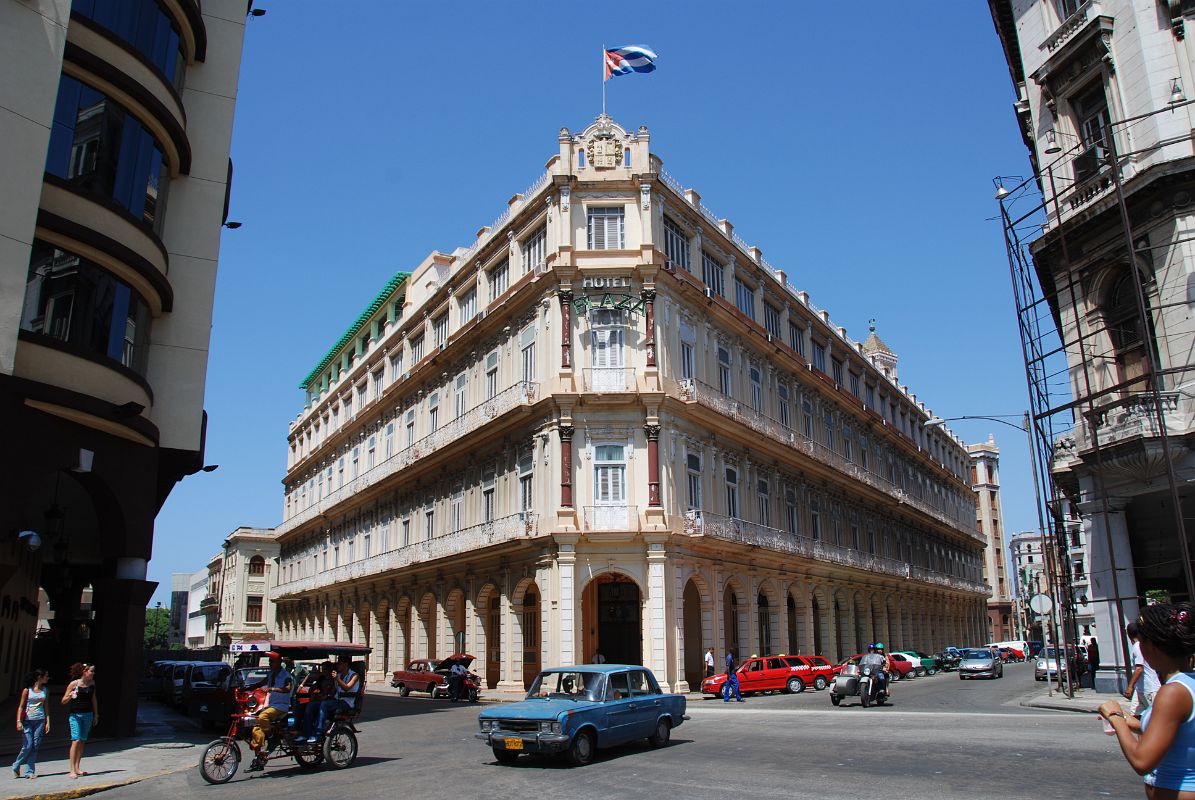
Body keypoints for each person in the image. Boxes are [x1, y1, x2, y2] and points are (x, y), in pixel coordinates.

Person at [1098, 602, 1195, 797]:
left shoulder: (1173, 692)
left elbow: (1142, 761)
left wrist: (1114, 717)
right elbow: (1171, 732)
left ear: (1153, 646)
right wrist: (1126, 719)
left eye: (1142, 642)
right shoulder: (1189, 681)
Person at [299, 655, 359, 743]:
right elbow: (334, 691)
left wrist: (337, 679)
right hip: (335, 701)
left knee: (324, 704)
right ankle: (306, 733)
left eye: (340, 664)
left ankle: (318, 732)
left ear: (346, 664)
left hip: (346, 702)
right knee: (311, 705)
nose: (338, 666)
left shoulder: (354, 675)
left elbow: (347, 688)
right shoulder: (338, 675)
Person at [248, 653, 292, 771]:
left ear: (279, 662)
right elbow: (261, 683)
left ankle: (272, 737)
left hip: (281, 706)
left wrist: (272, 689)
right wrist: (246, 687)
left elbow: (288, 688)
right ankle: (260, 756)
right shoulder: (271, 674)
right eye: (269, 662)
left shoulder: (285, 675)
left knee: (263, 716)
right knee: (256, 728)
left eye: (272, 662)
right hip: (272, 705)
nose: (270, 664)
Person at [60, 663, 97, 780]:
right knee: (75, 740)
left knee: (82, 740)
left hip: (88, 714)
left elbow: (94, 699)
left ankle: (77, 767)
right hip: (75, 715)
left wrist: (96, 715)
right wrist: (70, 695)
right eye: (91, 671)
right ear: (85, 671)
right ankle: (71, 770)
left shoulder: (92, 683)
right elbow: (63, 701)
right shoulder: (74, 684)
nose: (93, 673)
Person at [13, 669, 49, 779]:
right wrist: (18, 721)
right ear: (39, 677)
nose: (48, 678)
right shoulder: (27, 690)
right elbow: (21, 706)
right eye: (46, 676)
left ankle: (29, 771)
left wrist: (48, 721)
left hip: (40, 720)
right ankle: (16, 764)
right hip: (27, 720)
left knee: (35, 745)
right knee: (28, 745)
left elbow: (46, 706)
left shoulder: (45, 690)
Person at [1126, 622, 1162, 715]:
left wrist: (1130, 686)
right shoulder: (1138, 646)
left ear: (1128, 634)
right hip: (1140, 688)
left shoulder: (1138, 647)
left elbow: (1139, 668)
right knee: (1134, 714)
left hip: (1149, 688)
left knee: (1155, 715)